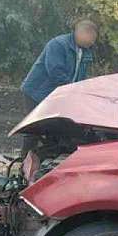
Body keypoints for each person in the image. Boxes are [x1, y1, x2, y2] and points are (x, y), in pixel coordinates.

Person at [18, 20, 98, 152]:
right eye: (91, 38)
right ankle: (24, 163)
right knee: (33, 130)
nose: (93, 42)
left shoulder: (86, 52)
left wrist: (83, 91)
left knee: (55, 129)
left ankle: (46, 159)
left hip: (58, 95)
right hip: (37, 92)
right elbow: (55, 72)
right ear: (81, 33)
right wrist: (74, 90)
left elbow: (81, 77)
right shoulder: (58, 44)